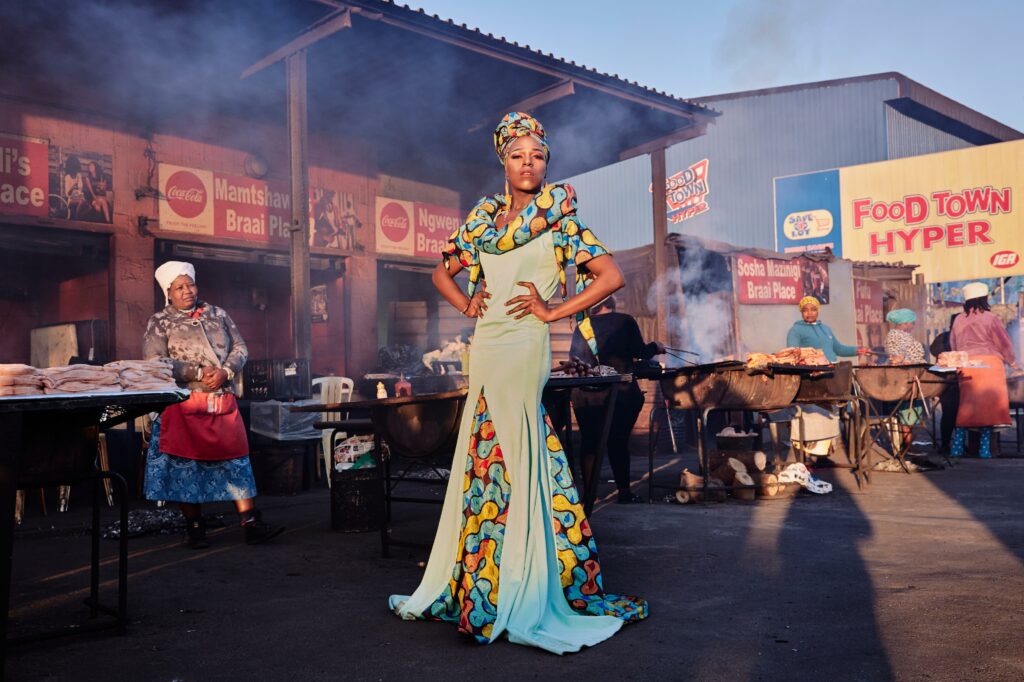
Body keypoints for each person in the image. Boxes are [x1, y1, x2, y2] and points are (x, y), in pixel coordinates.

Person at [389, 112, 646, 652]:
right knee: (483, 452)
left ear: (547, 160)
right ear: (502, 161)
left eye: (537, 155)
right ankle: (486, 577)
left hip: (525, 347)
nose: (527, 164)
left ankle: (521, 581)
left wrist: (554, 311)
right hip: (486, 346)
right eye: (517, 155)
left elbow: (611, 276)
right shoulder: (482, 221)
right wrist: (467, 302)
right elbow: (440, 270)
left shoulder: (561, 218)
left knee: (517, 447)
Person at [143, 261, 283, 548]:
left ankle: (251, 524)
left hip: (221, 401)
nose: (187, 291)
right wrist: (194, 373)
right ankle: (195, 530)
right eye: (179, 287)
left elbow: (240, 348)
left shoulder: (218, 314)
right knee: (185, 467)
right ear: (168, 293)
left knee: (237, 462)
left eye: (190, 284)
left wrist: (226, 372)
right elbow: (153, 361)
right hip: (183, 404)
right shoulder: (160, 322)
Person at [569, 295, 664, 503]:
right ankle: (624, 492)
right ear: (612, 304)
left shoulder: (582, 326)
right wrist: (655, 346)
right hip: (619, 394)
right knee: (618, 441)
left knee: (590, 443)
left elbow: (573, 359)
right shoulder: (625, 321)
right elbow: (641, 352)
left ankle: (588, 496)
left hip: (585, 395)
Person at [949, 282, 1021, 458]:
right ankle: (985, 451)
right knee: (988, 409)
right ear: (984, 298)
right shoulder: (990, 318)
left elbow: (953, 344)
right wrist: (1013, 364)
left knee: (966, 407)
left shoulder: (958, 319)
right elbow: (1004, 343)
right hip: (990, 367)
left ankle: (956, 448)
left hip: (967, 366)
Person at [883, 308, 925, 451]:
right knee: (907, 410)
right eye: (912, 323)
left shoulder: (898, 336)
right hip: (904, 379)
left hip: (908, 377)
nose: (913, 326)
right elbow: (897, 356)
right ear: (905, 323)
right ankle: (907, 444)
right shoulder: (895, 336)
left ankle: (907, 443)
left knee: (909, 411)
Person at [786, 295, 869, 362]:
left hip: (833, 370)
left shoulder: (826, 329)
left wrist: (859, 350)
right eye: (805, 310)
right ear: (801, 312)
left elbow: (839, 349)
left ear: (818, 311)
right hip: (811, 375)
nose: (809, 313)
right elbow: (792, 354)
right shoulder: (795, 330)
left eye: (813, 309)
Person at [929, 313, 961, 453]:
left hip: (959, 380)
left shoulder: (963, 337)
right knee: (950, 414)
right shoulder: (944, 337)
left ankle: (956, 444)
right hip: (948, 382)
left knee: (955, 414)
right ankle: (946, 444)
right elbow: (934, 350)